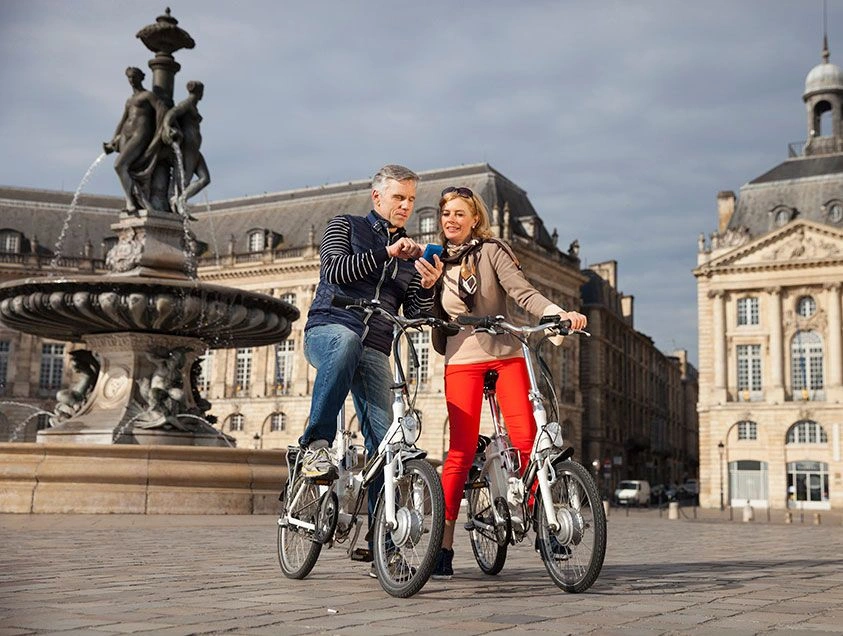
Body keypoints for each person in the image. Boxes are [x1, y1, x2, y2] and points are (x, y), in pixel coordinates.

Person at [429, 186, 587, 580]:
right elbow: (422, 309)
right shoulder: (434, 262)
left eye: (459, 213)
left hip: (505, 355)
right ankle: (442, 545)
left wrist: (557, 313)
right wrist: (425, 286)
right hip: (461, 361)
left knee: (527, 439)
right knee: (460, 452)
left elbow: (522, 292)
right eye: (446, 213)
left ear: (475, 218)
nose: (451, 219)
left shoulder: (492, 251)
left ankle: (545, 522)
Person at [297, 164, 443, 570]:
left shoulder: (412, 258)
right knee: (345, 342)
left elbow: (413, 315)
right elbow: (335, 270)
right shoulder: (344, 226)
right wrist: (385, 253)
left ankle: (386, 548)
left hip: (376, 348)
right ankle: (317, 445)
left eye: (412, 199)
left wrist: (428, 286)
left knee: (389, 447)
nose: (406, 206)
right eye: (399, 197)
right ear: (377, 197)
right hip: (330, 330)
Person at [103, 67, 167, 214]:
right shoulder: (129, 100)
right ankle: (131, 202)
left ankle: (133, 202)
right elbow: (123, 119)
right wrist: (113, 139)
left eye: (134, 77)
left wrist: (161, 132)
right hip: (126, 134)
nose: (131, 80)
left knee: (119, 165)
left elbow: (161, 111)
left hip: (140, 133)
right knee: (127, 168)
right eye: (129, 78)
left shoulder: (148, 96)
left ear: (141, 78)